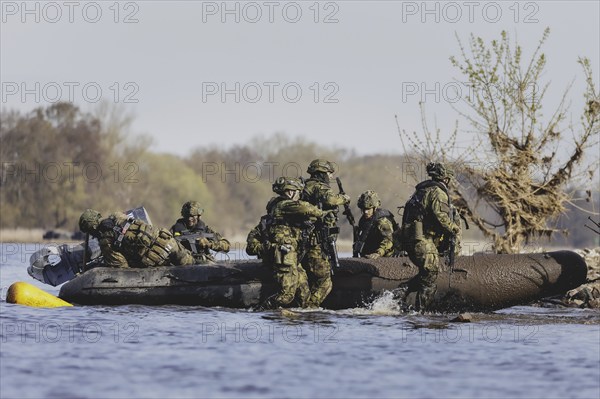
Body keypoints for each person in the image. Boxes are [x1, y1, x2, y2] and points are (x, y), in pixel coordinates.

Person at [394, 162, 461, 311]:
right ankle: (422, 312)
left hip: (411, 239)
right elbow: (441, 217)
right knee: (431, 274)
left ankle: (403, 292)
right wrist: (454, 229)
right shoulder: (438, 192)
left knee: (427, 273)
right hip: (422, 240)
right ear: (446, 179)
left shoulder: (421, 191)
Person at [263, 177, 327, 309]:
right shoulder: (283, 204)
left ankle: (303, 316)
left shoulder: (287, 207)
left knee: (304, 295)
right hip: (284, 256)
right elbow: (305, 208)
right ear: (290, 192)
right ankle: (262, 310)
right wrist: (322, 213)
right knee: (287, 296)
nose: (299, 195)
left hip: (293, 257)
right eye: (297, 191)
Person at [301, 159, 350, 307]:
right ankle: (309, 308)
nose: (330, 177)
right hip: (315, 241)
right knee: (325, 281)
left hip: (305, 240)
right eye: (328, 173)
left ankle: (304, 307)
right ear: (321, 173)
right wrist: (345, 198)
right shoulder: (319, 187)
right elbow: (331, 200)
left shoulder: (305, 187)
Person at [78, 209, 195, 268]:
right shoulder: (118, 216)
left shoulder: (105, 241)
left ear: (91, 228)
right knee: (193, 264)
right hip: (167, 240)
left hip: (157, 256)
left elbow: (122, 266)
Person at [246, 178, 287, 262]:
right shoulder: (265, 224)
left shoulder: (296, 222)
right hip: (272, 264)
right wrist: (270, 247)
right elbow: (250, 248)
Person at [353, 190, 398, 259]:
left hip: (385, 256)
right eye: (364, 209)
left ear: (374, 208)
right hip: (368, 256)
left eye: (368, 209)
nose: (366, 212)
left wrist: (378, 253)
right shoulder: (363, 220)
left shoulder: (382, 221)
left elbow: (389, 239)